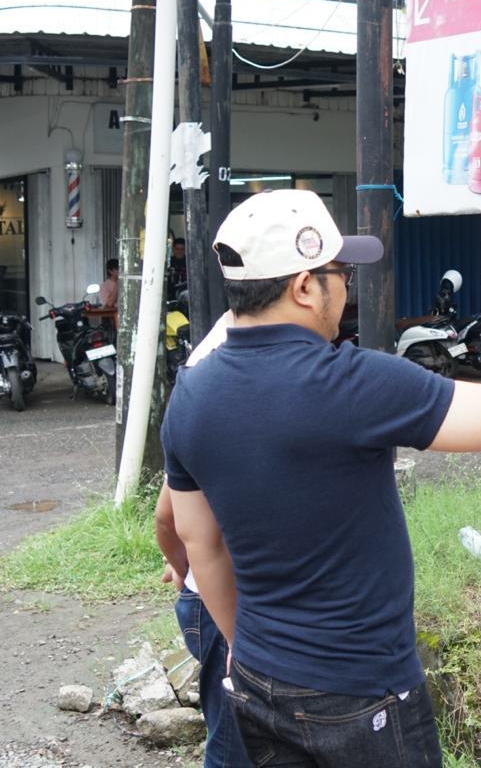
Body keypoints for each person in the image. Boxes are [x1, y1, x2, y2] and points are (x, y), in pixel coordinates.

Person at [161, 190, 481, 767]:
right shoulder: (352, 383)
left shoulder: (191, 394)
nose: (346, 286)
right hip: (361, 690)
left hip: (256, 678)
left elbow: (202, 544)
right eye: (340, 271)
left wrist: (242, 648)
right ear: (304, 286)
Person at [154, 310, 251, 768]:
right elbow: (167, 518)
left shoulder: (201, 396)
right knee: (232, 739)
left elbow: (168, 518)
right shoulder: (217, 399)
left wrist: (183, 564)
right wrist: (189, 567)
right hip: (221, 608)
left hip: (215, 601)